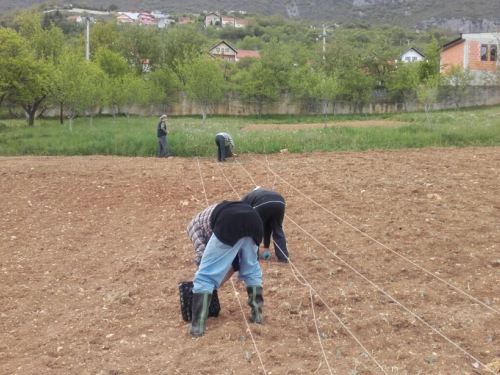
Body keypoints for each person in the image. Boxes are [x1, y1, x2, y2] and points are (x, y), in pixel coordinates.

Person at [188, 201, 264, 337]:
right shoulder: (212, 222)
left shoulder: (192, 227)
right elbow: (235, 263)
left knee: (205, 276)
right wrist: (217, 283)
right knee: (251, 269)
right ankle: (257, 315)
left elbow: (202, 258)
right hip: (255, 220)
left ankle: (197, 326)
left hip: (229, 221)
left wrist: (207, 285)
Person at [242, 187, 289, 263]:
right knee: (277, 229)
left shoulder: (244, 200)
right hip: (280, 202)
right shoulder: (258, 194)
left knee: (255, 230)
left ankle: (254, 257)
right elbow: (267, 227)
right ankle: (283, 258)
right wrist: (266, 248)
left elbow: (243, 219)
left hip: (262, 203)